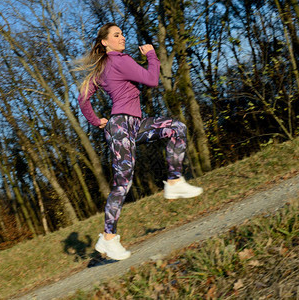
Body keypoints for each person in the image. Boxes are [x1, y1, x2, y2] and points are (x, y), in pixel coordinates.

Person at [75, 23, 203, 261]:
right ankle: (108, 237)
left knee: (176, 128)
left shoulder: (103, 67)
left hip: (133, 124)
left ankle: (174, 181)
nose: (122, 37)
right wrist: (151, 55)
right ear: (105, 42)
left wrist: (96, 121)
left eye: (122, 33)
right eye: (116, 35)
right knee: (122, 183)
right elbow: (152, 79)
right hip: (122, 127)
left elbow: (83, 99)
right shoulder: (119, 60)